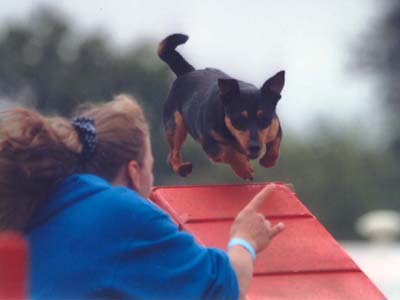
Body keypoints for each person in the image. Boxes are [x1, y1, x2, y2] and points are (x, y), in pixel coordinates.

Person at [0, 94, 284, 300]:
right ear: (134, 172)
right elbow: (222, 288)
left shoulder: (46, 206)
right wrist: (244, 240)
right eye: (151, 166)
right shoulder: (122, 213)